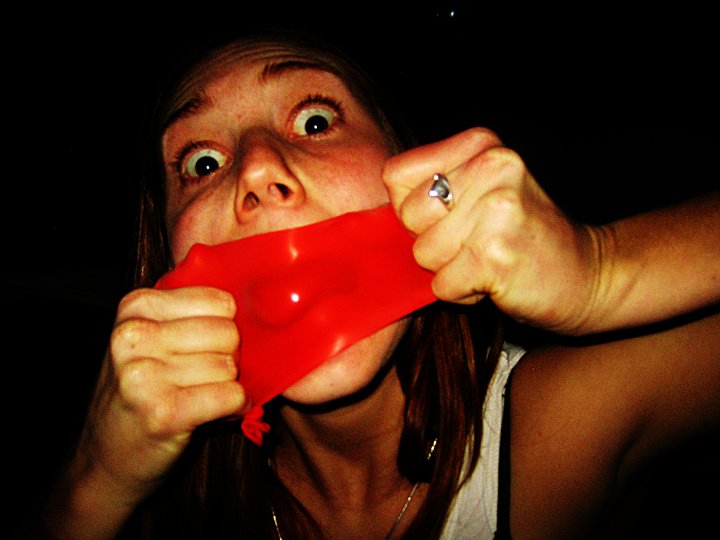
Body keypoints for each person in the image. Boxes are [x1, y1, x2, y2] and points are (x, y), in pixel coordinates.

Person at [33, 28, 720, 539]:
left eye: (315, 121)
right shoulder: (161, 503)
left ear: (411, 172)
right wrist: (96, 482)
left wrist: (603, 271)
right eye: (202, 163)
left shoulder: (559, 426)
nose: (258, 171)